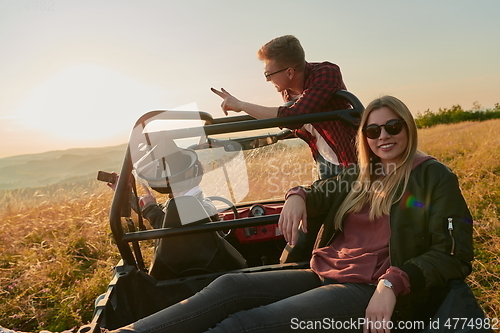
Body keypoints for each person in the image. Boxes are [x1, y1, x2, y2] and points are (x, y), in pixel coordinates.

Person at [106, 96, 474, 333]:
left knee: (246, 325)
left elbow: (454, 255)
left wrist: (392, 283)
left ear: (407, 127)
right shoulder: (366, 174)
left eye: (392, 126)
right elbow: (320, 191)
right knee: (230, 287)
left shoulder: (432, 176)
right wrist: (298, 194)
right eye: (373, 130)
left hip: (369, 287)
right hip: (326, 269)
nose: (383, 136)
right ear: (365, 138)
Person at [211, 35, 357, 179]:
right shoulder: (287, 91)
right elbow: (290, 119)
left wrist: (242, 105)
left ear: (289, 72)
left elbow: (294, 117)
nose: (268, 80)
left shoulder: (326, 73)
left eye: (268, 74)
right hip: (323, 158)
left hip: (350, 159)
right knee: (327, 201)